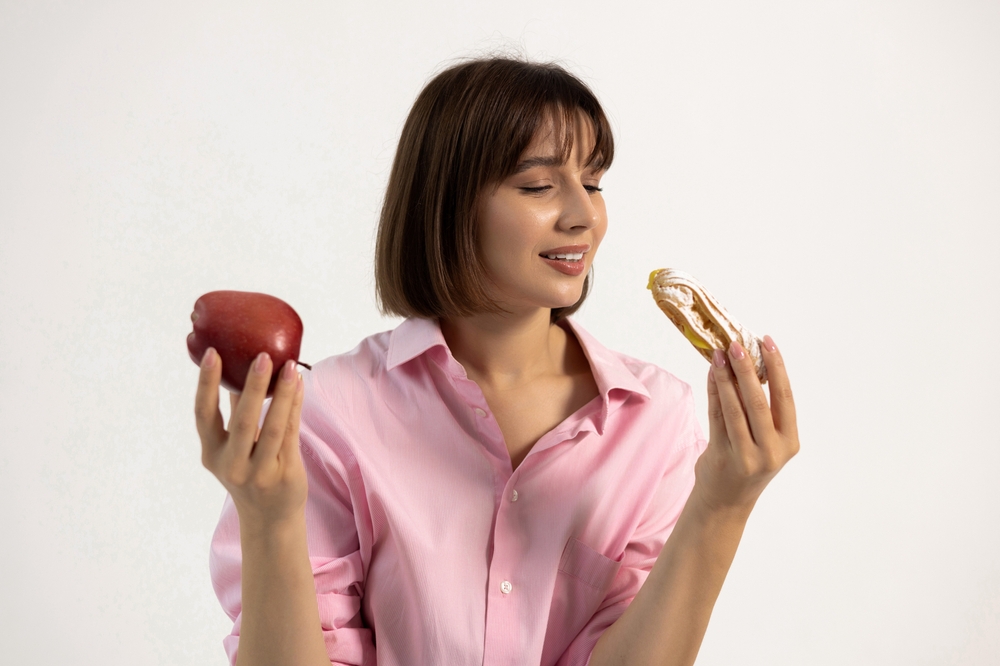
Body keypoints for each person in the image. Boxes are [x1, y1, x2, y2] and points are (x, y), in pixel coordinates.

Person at [195, 57, 799, 666]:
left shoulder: (656, 419)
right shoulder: (333, 411)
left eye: (593, 183)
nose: (584, 216)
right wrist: (270, 521)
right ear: (447, 203)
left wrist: (722, 504)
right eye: (538, 186)